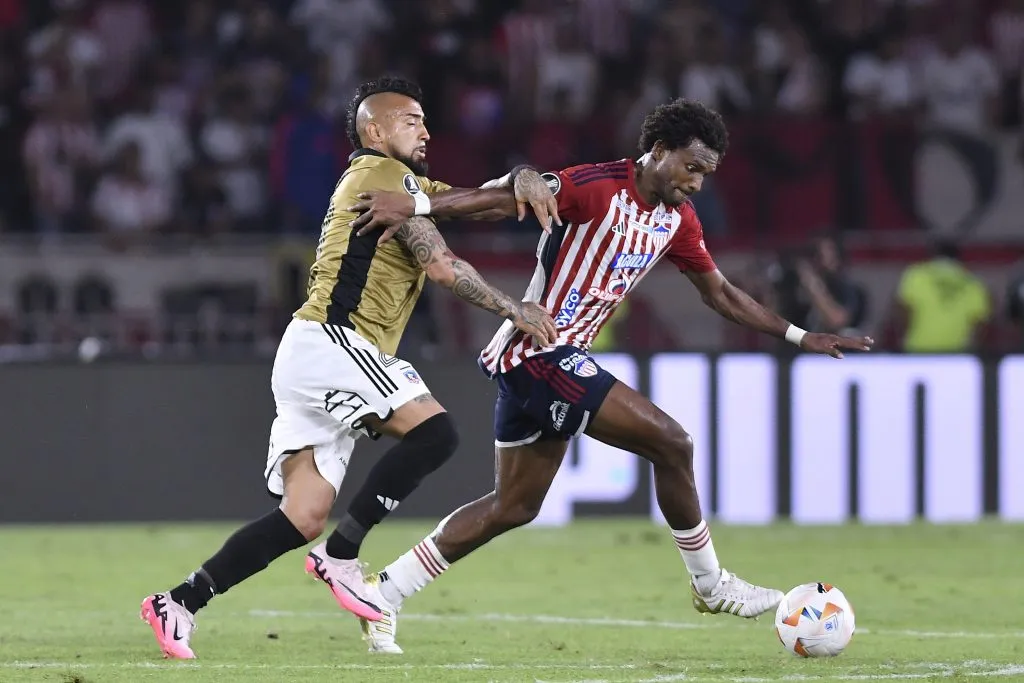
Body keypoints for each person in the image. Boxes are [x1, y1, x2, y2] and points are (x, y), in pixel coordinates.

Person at [335, 98, 876, 653]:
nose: (696, 183)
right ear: (658, 151)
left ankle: (385, 592)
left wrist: (799, 336)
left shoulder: (678, 220)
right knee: (672, 443)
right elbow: (501, 200)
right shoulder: (595, 186)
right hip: (541, 354)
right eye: (691, 167)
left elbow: (720, 293)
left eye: (705, 174)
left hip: (543, 360)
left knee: (513, 506)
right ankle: (711, 584)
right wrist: (417, 203)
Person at [139, 76, 561, 660]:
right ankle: (342, 556)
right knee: (436, 434)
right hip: (337, 342)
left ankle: (179, 602)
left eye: (424, 119)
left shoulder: (399, 183)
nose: (426, 130)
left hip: (309, 353)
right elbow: (442, 266)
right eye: (411, 120)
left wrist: (522, 177)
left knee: (302, 516)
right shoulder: (381, 174)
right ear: (375, 131)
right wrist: (516, 309)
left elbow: (473, 200)